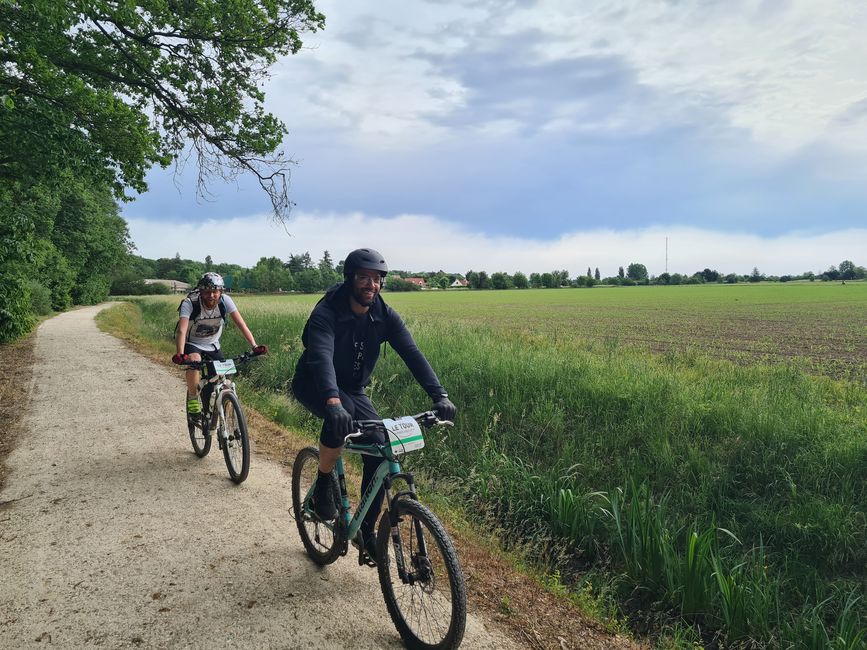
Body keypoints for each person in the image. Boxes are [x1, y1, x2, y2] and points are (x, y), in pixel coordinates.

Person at [291, 248, 456, 564]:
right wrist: (333, 403)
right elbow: (322, 356)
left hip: (352, 388)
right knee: (340, 420)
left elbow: (412, 354)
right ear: (351, 278)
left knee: (382, 444)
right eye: (364, 277)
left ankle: (366, 532)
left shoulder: (384, 315)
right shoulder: (327, 311)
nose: (371, 285)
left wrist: (440, 396)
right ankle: (324, 482)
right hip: (315, 382)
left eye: (377, 279)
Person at [172, 272, 266, 414]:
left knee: (224, 380)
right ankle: (192, 398)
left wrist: (254, 346)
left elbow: (241, 324)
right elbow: (182, 331)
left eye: (215, 292)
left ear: (221, 292)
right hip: (192, 343)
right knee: (194, 361)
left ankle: (221, 415)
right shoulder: (190, 303)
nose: (211, 296)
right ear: (201, 292)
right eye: (207, 292)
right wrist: (180, 354)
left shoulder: (225, 301)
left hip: (213, 344)